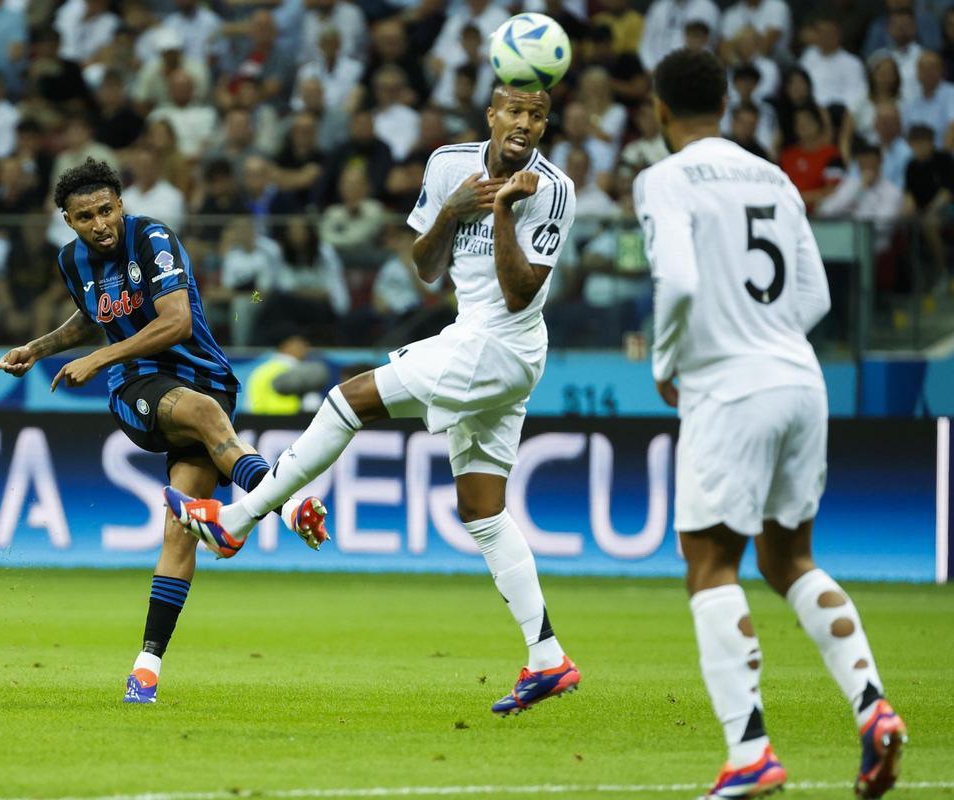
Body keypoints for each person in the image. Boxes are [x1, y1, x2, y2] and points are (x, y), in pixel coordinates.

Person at [167, 85, 581, 717]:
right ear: (491, 115)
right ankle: (548, 657)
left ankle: (237, 521)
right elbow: (425, 266)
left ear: (546, 124)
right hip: (473, 341)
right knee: (483, 512)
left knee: (344, 401)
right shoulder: (448, 164)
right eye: (513, 112)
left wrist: (499, 210)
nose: (524, 124)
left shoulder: (551, 189)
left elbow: (522, 294)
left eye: (537, 115)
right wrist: (454, 209)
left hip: (503, 346)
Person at [634, 48, 907, 799]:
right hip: (799, 378)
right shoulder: (775, 177)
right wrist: (767, 333)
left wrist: (667, 360)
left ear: (659, 110)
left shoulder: (662, 178)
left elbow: (681, 281)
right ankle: (873, 708)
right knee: (789, 560)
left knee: (710, 564)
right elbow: (816, 293)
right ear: (725, 104)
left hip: (729, 387)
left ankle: (749, 750)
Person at [0, 158, 327, 706]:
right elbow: (90, 315)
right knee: (200, 415)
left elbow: (175, 322)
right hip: (137, 386)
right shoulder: (71, 261)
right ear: (68, 221)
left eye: (106, 210)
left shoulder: (152, 237)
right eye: (85, 216)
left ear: (121, 204)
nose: (99, 223)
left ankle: (144, 670)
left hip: (205, 376)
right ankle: (289, 509)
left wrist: (98, 356)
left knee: (181, 529)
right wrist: (39, 348)